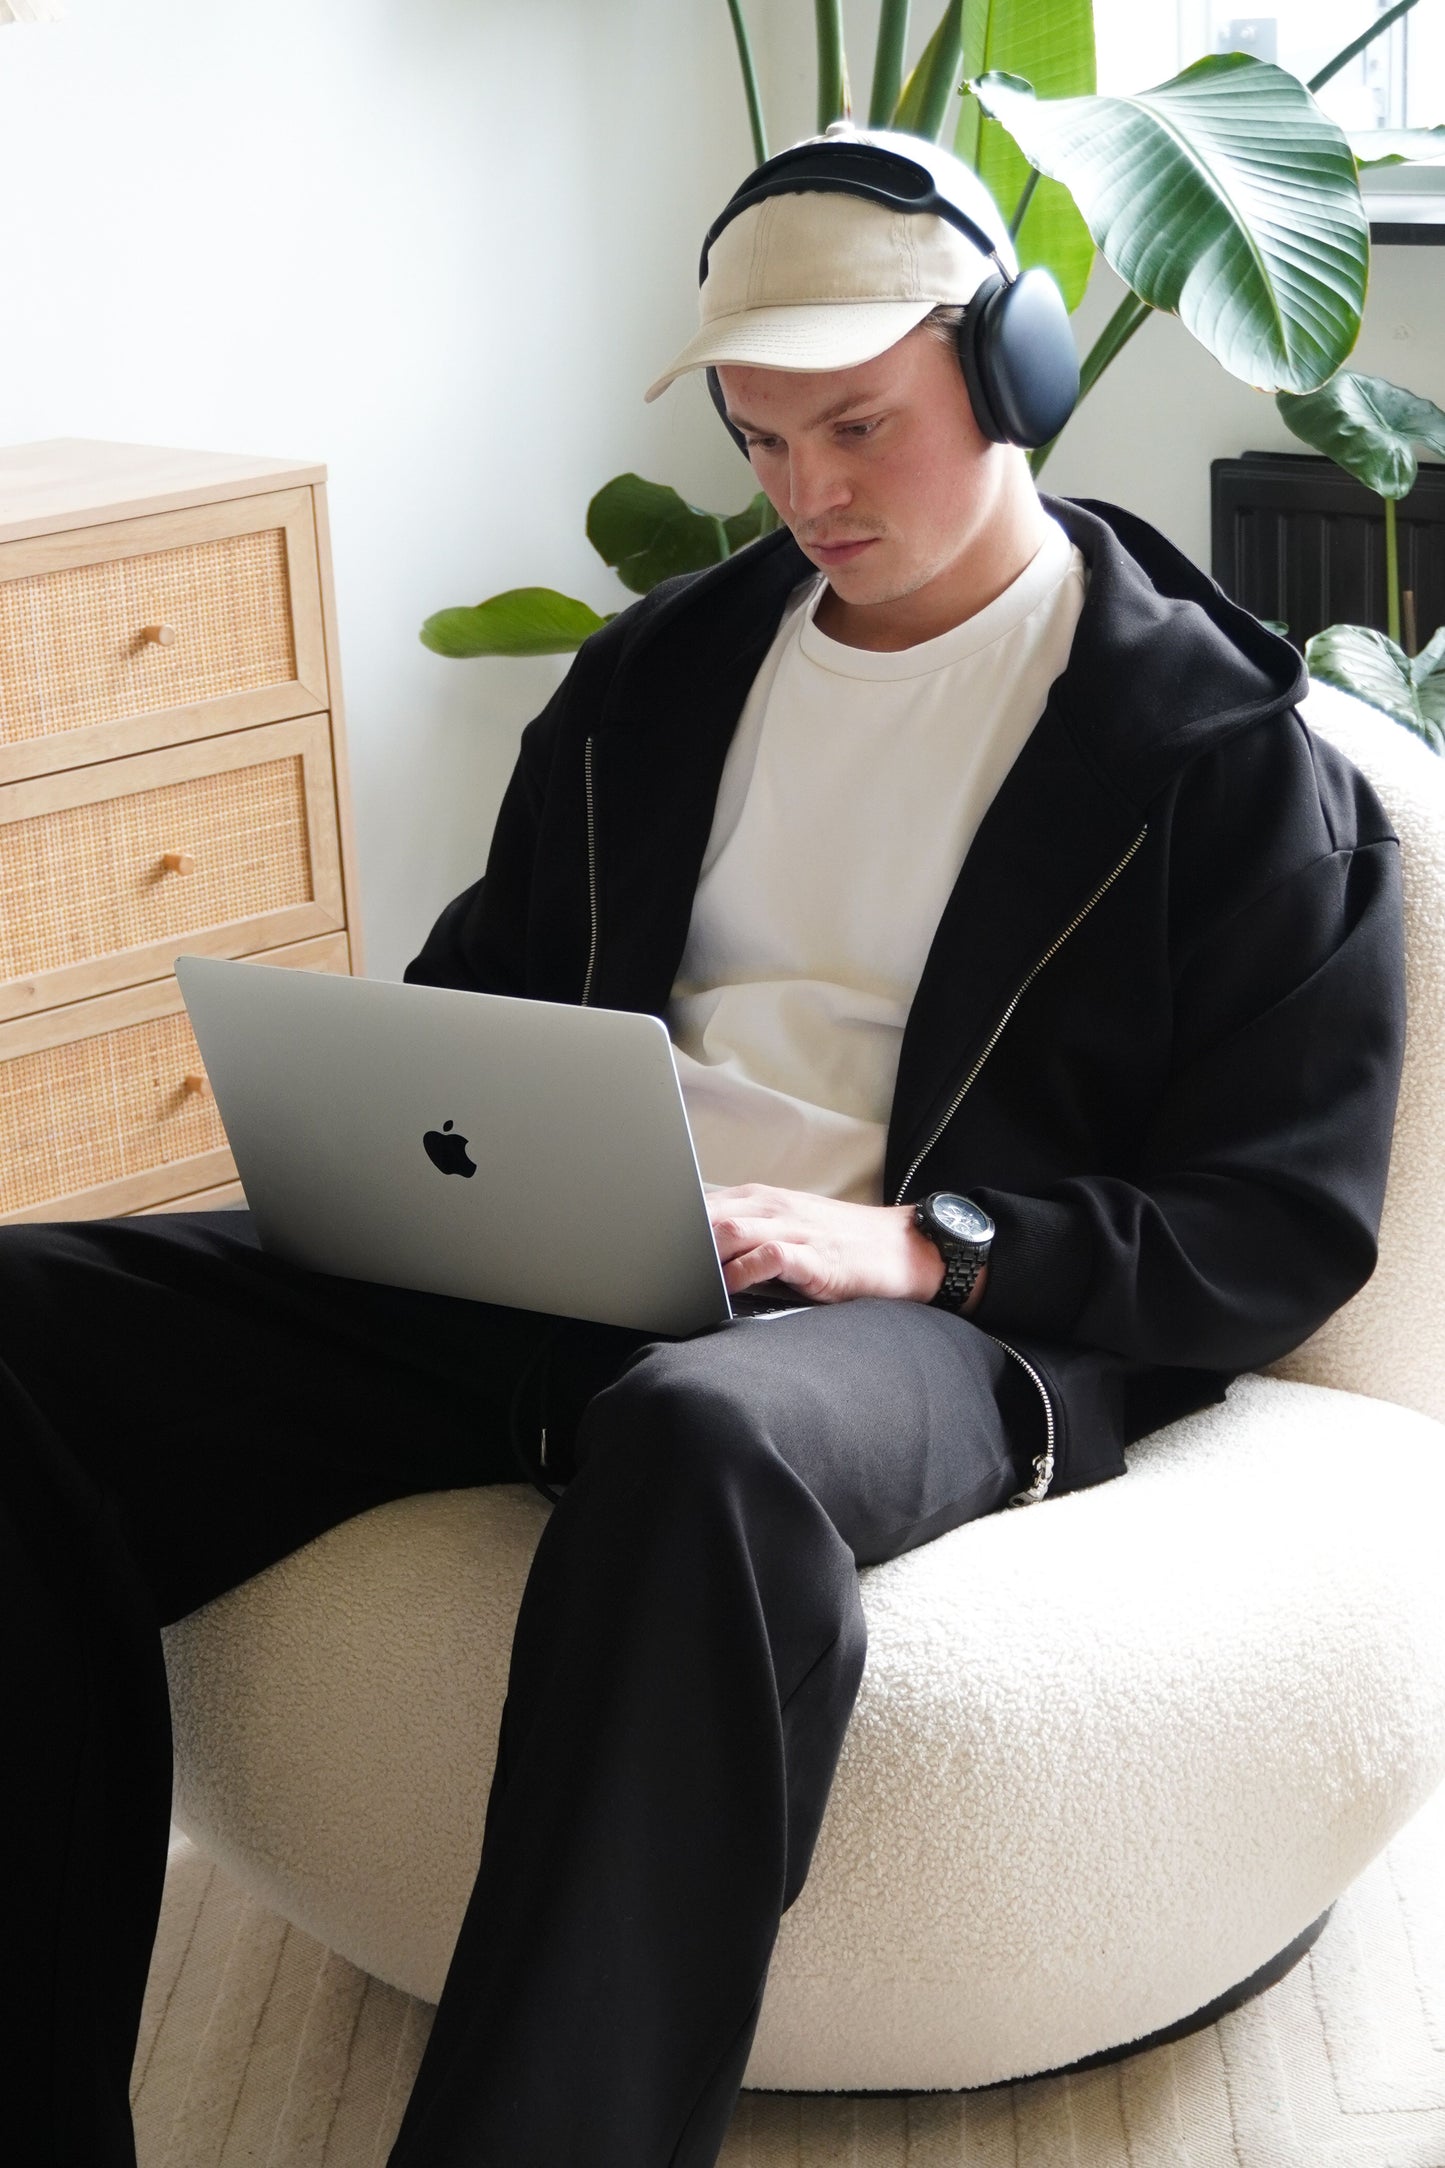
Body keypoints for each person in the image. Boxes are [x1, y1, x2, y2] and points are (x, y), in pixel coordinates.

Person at [1, 126, 1405, 2168]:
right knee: (29, 1322)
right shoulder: (658, 680)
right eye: (761, 439)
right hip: (585, 1251)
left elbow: (1283, 1221)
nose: (808, 492)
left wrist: (932, 1247)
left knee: (701, 1441)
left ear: (1009, 378)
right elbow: (490, 987)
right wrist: (417, 1131)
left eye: (860, 426)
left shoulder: (1211, 749)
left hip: (903, 1320)